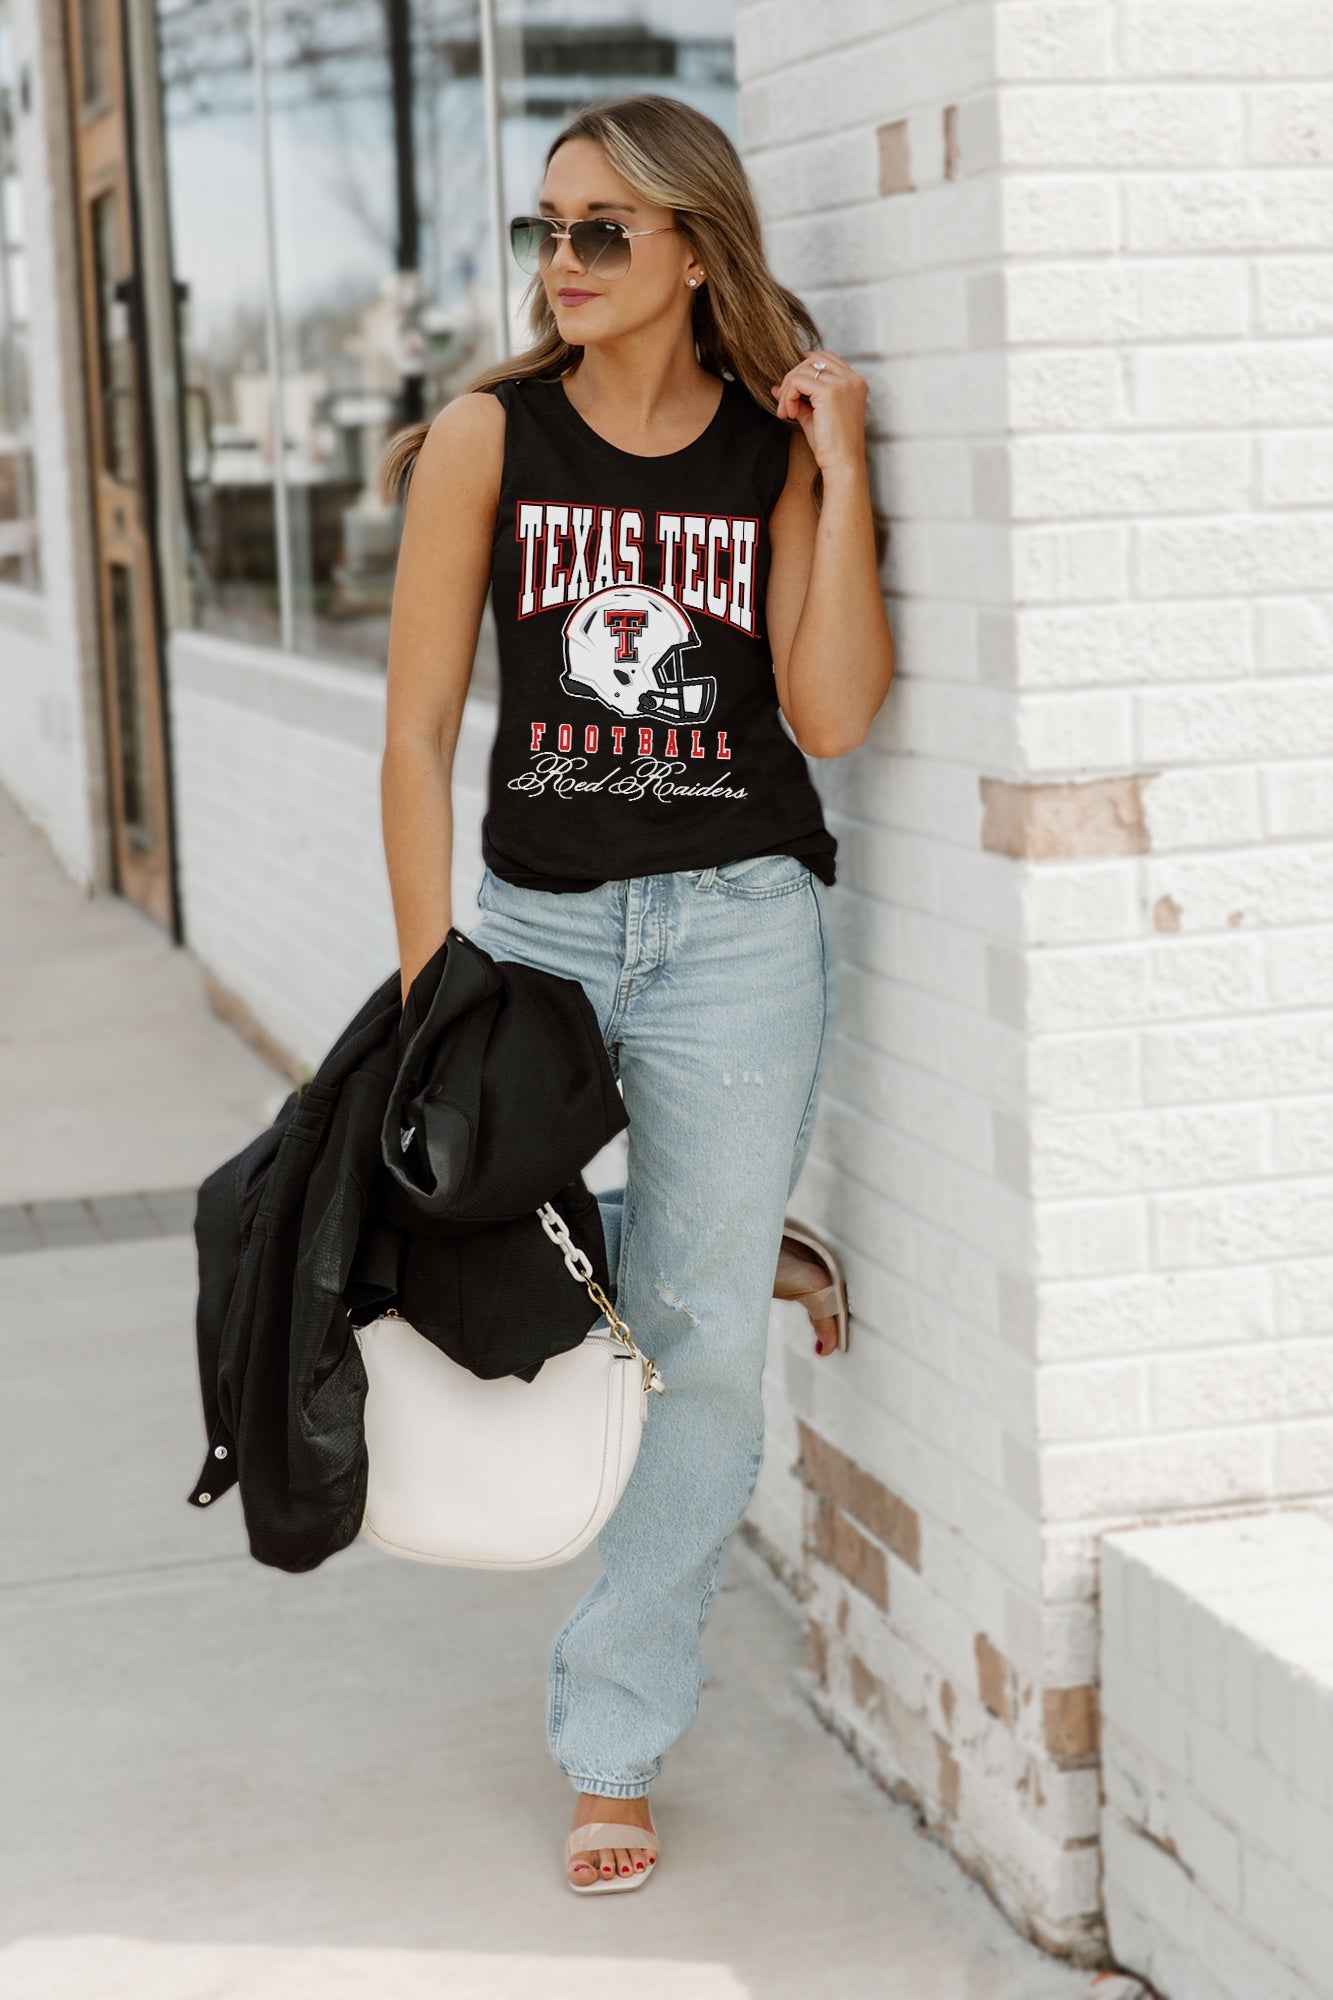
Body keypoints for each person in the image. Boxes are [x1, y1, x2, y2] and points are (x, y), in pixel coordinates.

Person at [377, 91, 894, 1893]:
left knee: (703, 1380)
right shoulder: (487, 440)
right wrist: (427, 976)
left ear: (693, 247)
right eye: (549, 229)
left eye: (605, 230)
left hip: (742, 924)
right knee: (466, 1241)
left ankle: (613, 1737)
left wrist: (841, 472)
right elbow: (418, 731)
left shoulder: (765, 454)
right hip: (540, 929)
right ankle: (717, 1226)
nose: (568, 263)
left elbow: (828, 718)